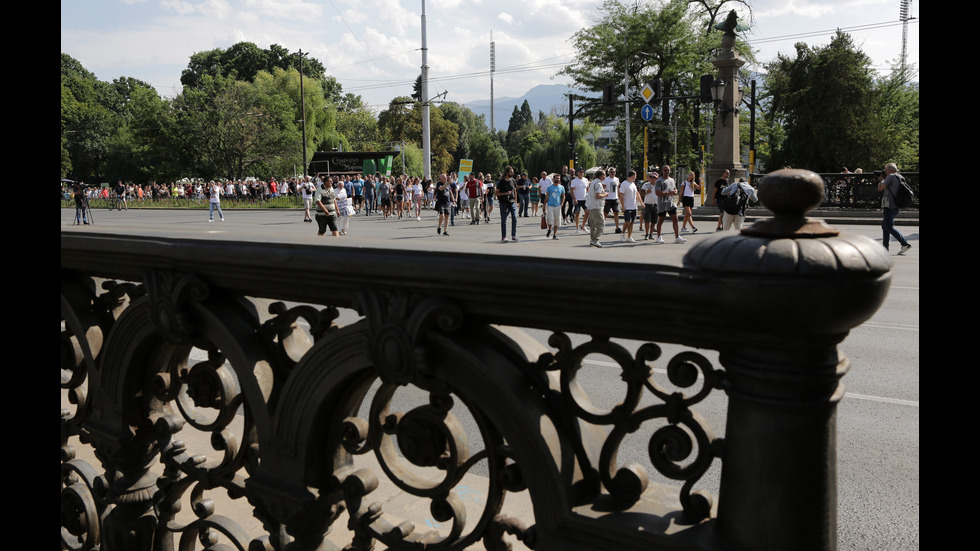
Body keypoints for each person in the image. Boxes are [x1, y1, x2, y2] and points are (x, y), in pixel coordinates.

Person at [878, 162, 912, 254]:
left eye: (885, 170)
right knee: (885, 226)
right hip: (897, 204)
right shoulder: (900, 176)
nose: (885, 172)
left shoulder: (890, 176)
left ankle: (904, 244)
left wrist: (881, 179)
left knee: (888, 227)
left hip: (890, 205)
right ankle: (885, 248)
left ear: (890, 170)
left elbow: (880, 188)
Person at [654, 165, 685, 244]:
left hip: (671, 203)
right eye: (665, 170)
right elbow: (657, 192)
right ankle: (659, 236)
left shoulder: (672, 180)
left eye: (668, 170)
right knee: (661, 220)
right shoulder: (659, 181)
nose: (667, 172)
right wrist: (668, 193)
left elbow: (675, 189)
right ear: (662, 171)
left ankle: (677, 236)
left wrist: (675, 192)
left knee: (675, 219)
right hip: (662, 203)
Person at [618, 170, 643, 243]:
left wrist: (641, 203)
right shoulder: (624, 184)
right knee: (627, 221)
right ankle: (622, 234)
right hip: (627, 206)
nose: (635, 177)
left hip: (634, 206)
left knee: (632, 222)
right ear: (632, 176)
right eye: (635, 176)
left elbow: (637, 194)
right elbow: (621, 196)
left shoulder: (633, 184)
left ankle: (629, 236)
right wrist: (622, 206)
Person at [586, 169, 608, 247]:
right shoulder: (598, 183)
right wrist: (605, 194)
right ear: (600, 175)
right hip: (597, 207)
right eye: (604, 175)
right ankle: (595, 240)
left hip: (591, 206)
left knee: (593, 225)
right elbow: (598, 195)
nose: (605, 176)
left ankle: (592, 240)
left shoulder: (593, 182)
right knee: (601, 224)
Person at [496, 166, 519, 242]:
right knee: (504, 219)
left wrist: (516, 202)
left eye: (513, 172)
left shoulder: (513, 180)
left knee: (515, 218)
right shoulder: (501, 182)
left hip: (512, 202)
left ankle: (513, 235)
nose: (513, 173)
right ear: (507, 173)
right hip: (503, 203)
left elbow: (515, 192)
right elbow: (497, 193)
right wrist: (505, 193)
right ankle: (504, 236)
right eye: (511, 172)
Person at [545, 173, 565, 240]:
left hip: (558, 206)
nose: (558, 179)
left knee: (557, 220)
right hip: (550, 205)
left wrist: (562, 203)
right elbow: (547, 196)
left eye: (559, 178)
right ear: (553, 179)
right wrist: (544, 205)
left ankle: (555, 234)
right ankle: (550, 229)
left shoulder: (561, 187)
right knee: (550, 219)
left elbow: (563, 196)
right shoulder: (549, 187)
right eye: (556, 178)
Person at [640, 171, 659, 240]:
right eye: (651, 177)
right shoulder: (646, 185)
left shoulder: (658, 185)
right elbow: (641, 193)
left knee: (654, 221)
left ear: (657, 178)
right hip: (647, 204)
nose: (652, 178)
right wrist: (646, 191)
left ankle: (651, 234)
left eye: (654, 177)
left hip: (656, 204)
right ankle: (647, 234)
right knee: (647, 220)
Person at [570, 168, 589, 234]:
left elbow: (587, 188)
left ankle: (583, 226)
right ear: (577, 173)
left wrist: (588, 196)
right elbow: (572, 190)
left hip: (584, 199)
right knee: (577, 212)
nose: (581, 173)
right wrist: (574, 199)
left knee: (587, 212)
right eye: (580, 172)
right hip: (577, 199)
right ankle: (577, 228)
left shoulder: (586, 180)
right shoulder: (574, 181)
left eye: (583, 172)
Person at [603, 167, 621, 234]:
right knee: (605, 213)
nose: (612, 173)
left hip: (615, 198)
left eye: (613, 172)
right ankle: (602, 227)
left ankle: (617, 227)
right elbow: (603, 188)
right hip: (608, 198)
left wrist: (618, 196)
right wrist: (604, 197)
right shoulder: (606, 179)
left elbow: (617, 188)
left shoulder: (616, 179)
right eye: (611, 172)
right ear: (609, 173)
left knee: (616, 212)